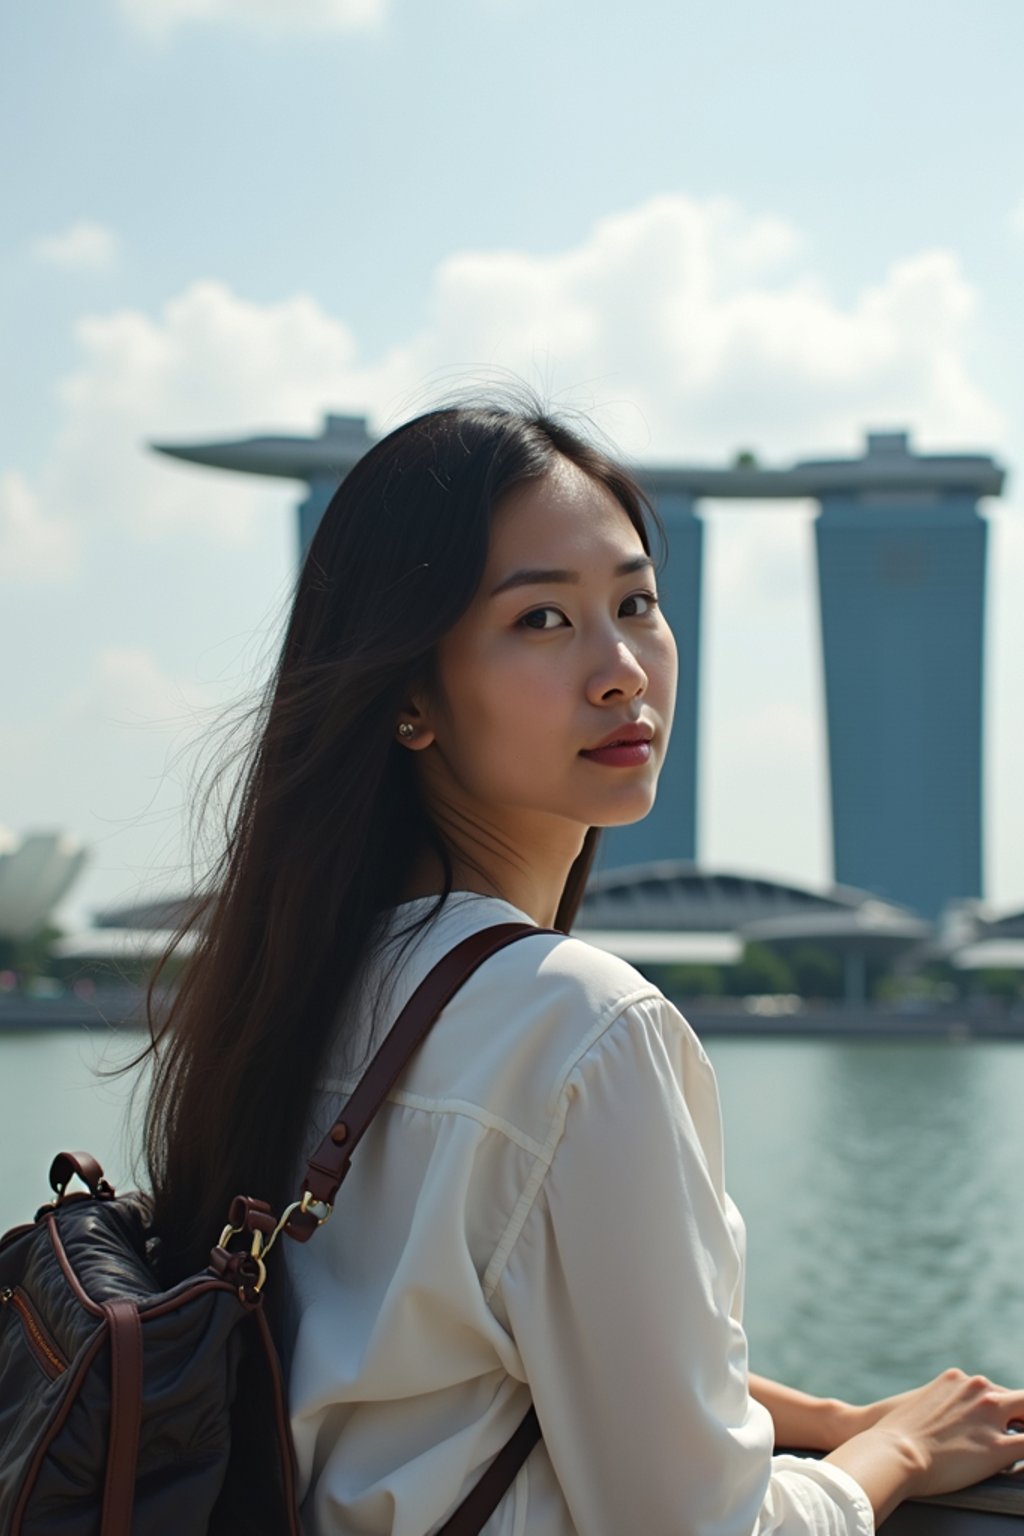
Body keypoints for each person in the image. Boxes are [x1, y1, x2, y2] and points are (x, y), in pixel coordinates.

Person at [145, 400, 1024, 1535]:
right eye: (544, 619)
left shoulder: (300, 982)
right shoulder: (580, 1027)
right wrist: (892, 1456)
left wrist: (807, 1415)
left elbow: (418, 1355)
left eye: (638, 603)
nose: (621, 672)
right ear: (408, 694)